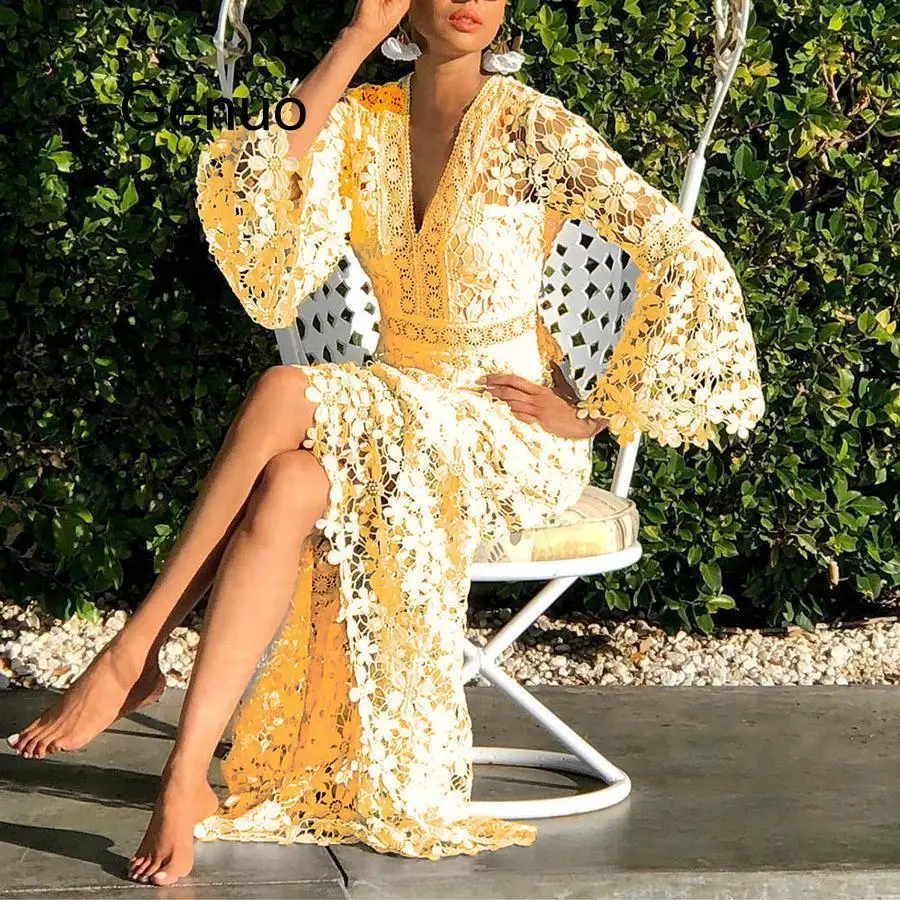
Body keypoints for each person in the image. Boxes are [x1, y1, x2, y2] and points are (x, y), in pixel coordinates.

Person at [5, 0, 765, 885]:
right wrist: (357, 38)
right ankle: (186, 773)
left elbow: (683, 257)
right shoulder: (364, 120)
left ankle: (135, 651)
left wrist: (595, 412)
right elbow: (259, 168)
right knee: (288, 485)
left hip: (504, 433)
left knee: (284, 389)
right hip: (398, 404)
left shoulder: (533, 127)